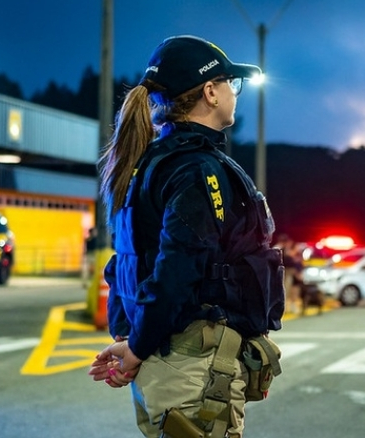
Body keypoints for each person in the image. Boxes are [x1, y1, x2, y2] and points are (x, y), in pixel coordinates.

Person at [87, 35, 285, 438]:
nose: (234, 92)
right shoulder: (196, 169)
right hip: (191, 363)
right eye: (231, 83)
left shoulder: (145, 163)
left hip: (166, 360)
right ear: (210, 92)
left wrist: (132, 342)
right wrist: (137, 348)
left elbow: (126, 262)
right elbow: (177, 270)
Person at [275, 234, 304, 313]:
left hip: (292, 271)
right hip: (285, 271)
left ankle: (291, 307)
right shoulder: (279, 248)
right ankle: (285, 307)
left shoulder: (292, 250)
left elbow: (297, 262)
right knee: (285, 289)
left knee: (294, 290)